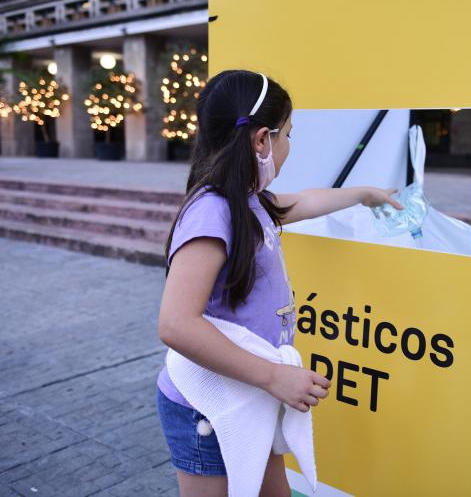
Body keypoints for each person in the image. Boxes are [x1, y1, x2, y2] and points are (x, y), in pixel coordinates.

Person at [156, 70, 403, 497]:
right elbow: (176, 324)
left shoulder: (250, 201)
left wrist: (364, 193)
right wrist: (273, 376)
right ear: (262, 141)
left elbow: (306, 201)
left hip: (247, 395)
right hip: (209, 408)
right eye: (288, 134)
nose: (290, 145)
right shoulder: (213, 212)